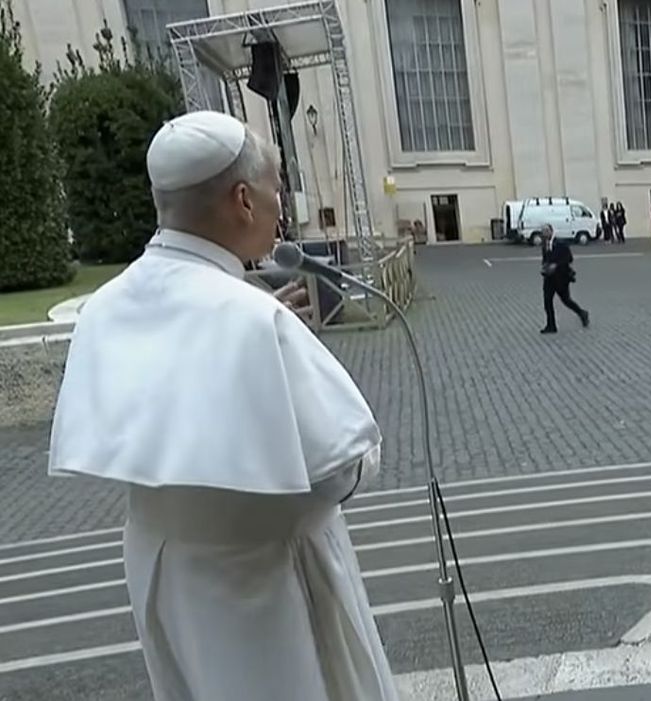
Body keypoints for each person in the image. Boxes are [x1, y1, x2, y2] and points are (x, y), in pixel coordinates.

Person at [48, 111, 398, 700]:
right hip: (264, 579)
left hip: (163, 568)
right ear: (242, 199)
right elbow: (340, 471)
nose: (280, 206)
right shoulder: (254, 319)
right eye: (275, 189)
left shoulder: (104, 307)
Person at [540, 223, 590, 333]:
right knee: (547, 301)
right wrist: (544, 266)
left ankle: (582, 313)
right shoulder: (545, 244)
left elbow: (569, 258)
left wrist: (556, 265)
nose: (545, 233)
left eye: (547, 231)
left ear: (551, 231)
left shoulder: (560, 243)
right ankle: (551, 325)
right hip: (549, 278)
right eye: (543, 232)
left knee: (566, 300)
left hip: (561, 278)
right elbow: (545, 258)